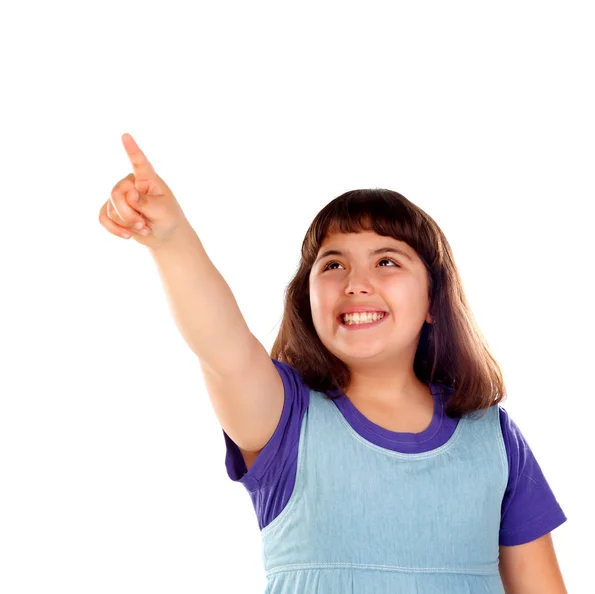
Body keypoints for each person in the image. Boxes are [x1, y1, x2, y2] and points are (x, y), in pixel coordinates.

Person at [100, 133, 568, 593]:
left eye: (387, 262)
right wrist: (171, 239)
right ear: (308, 299)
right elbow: (222, 347)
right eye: (332, 265)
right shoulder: (284, 419)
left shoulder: (494, 439)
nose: (355, 283)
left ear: (432, 300)